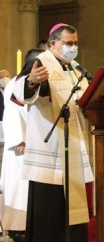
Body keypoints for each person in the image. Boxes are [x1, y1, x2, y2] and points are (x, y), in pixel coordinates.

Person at [13, 23, 94, 241]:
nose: (73, 47)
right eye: (68, 43)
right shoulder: (39, 62)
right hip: (49, 151)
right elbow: (18, 91)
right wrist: (31, 81)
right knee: (49, 212)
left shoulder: (75, 68)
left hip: (74, 146)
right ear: (53, 43)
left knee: (73, 212)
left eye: (75, 43)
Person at [0, 49, 43, 242]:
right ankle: (18, 228)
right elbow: (12, 113)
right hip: (21, 146)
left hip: (34, 145)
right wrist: (21, 138)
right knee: (19, 189)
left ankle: (29, 225)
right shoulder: (17, 84)